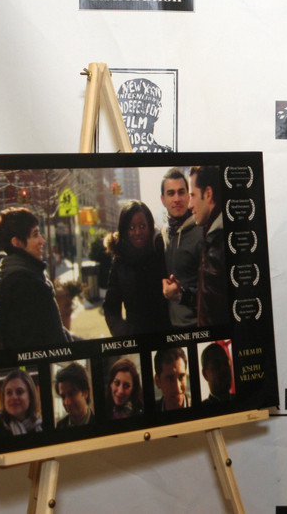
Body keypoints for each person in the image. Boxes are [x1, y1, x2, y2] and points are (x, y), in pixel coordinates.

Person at [0, 207, 73, 349]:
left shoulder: (27, 275)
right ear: (16, 242)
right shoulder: (24, 284)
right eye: (35, 234)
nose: (42, 240)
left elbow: (56, 331)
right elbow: (49, 341)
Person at [103, 200, 170, 336]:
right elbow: (111, 308)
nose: (138, 232)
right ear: (124, 230)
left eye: (142, 226)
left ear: (150, 227)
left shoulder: (160, 253)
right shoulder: (120, 262)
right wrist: (124, 334)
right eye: (131, 228)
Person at [155, 168, 201, 328]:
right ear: (163, 199)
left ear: (188, 195)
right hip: (171, 327)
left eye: (181, 192)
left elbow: (215, 293)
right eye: (171, 193)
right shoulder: (164, 234)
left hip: (198, 326)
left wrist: (181, 295)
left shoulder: (202, 231)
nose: (177, 199)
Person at [189, 166, 228, 327]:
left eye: (193, 195)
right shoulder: (212, 237)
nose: (189, 205)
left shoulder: (217, 247)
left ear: (208, 194)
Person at [0, 368, 43, 435]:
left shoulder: (42, 426)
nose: (13, 397)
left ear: (30, 396)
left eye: (19, 392)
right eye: (9, 393)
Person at [54, 362, 94, 428]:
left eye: (71, 394)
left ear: (85, 393)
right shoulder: (59, 426)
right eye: (63, 396)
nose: (67, 402)